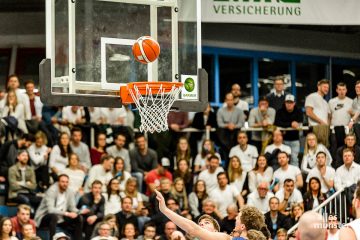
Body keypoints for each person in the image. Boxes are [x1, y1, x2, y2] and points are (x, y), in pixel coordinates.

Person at [154, 189, 270, 240]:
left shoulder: (227, 238)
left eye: (238, 218)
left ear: (243, 226)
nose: (235, 219)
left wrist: (165, 210)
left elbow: (192, 229)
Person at [34, 174, 85, 239]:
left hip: (61, 218)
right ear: (58, 182)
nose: (65, 184)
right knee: (53, 216)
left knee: (79, 218)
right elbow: (51, 210)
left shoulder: (69, 191)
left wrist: (79, 212)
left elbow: (72, 207)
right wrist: (67, 213)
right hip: (45, 217)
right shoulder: (52, 191)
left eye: (67, 182)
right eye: (63, 182)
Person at [274, 94, 303, 167]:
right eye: (287, 102)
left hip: (295, 139)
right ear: (285, 103)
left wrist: (286, 124)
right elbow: (277, 123)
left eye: (291, 102)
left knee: (294, 159)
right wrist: (290, 124)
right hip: (283, 140)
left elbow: (300, 122)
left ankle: (295, 177)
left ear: (294, 103)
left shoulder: (298, 111)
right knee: (282, 159)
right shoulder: (280, 111)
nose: (289, 104)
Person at [328, 82, 353, 152]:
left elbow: (354, 118)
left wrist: (352, 119)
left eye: (343, 89)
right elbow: (329, 117)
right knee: (334, 150)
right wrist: (328, 129)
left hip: (347, 131)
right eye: (340, 89)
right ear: (337, 90)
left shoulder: (351, 102)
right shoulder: (331, 101)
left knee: (347, 150)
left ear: (346, 90)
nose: (342, 91)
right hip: (334, 130)